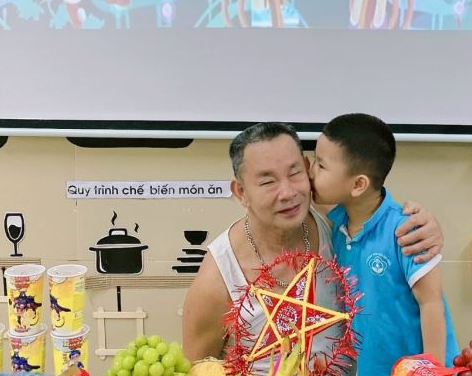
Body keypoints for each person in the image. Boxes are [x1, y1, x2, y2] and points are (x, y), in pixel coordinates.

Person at [181, 122, 443, 363]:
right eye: (268, 182)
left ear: (308, 169)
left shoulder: (338, 222)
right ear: (241, 192)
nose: (288, 193)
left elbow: (384, 218)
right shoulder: (218, 279)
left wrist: (426, 227)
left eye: (295, 173)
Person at [310, 113, 458, 376]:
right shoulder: (339, 224)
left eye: (320, 165)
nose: (311, 171)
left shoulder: (406, 230)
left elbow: (431, 303)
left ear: (358, 184)